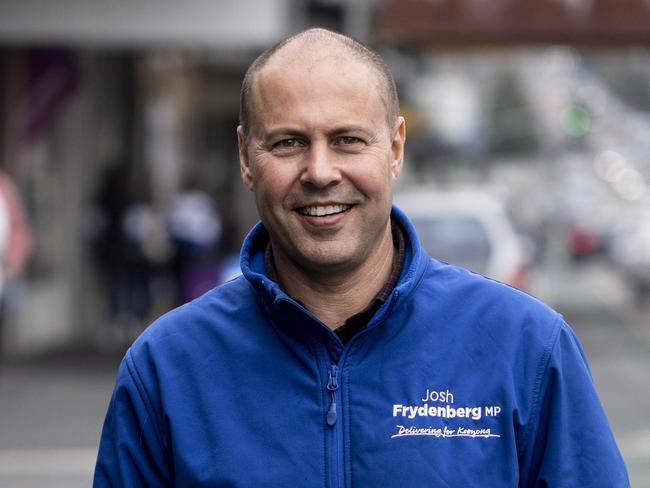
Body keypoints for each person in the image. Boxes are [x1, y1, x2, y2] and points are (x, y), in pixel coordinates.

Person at [94, 28, 629, 486]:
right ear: (245, 156)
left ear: (395, 148)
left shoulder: (527, 348)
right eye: (287, 143)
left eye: (348, 139)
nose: (321, 171)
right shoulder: (166, 367)